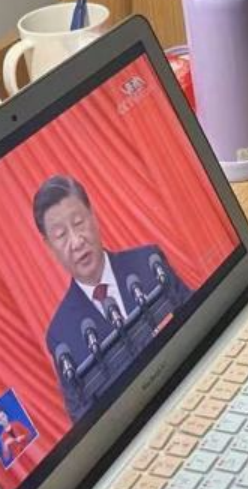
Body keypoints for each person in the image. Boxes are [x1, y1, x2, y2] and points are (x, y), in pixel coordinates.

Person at [35, 175, 192, 421]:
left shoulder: (148, 262)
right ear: (49, 246)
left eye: (79, 223)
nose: (76, 241)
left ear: (93, 216)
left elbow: (200, 319)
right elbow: (85, 419)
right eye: (61, 235)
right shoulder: (61, 335)